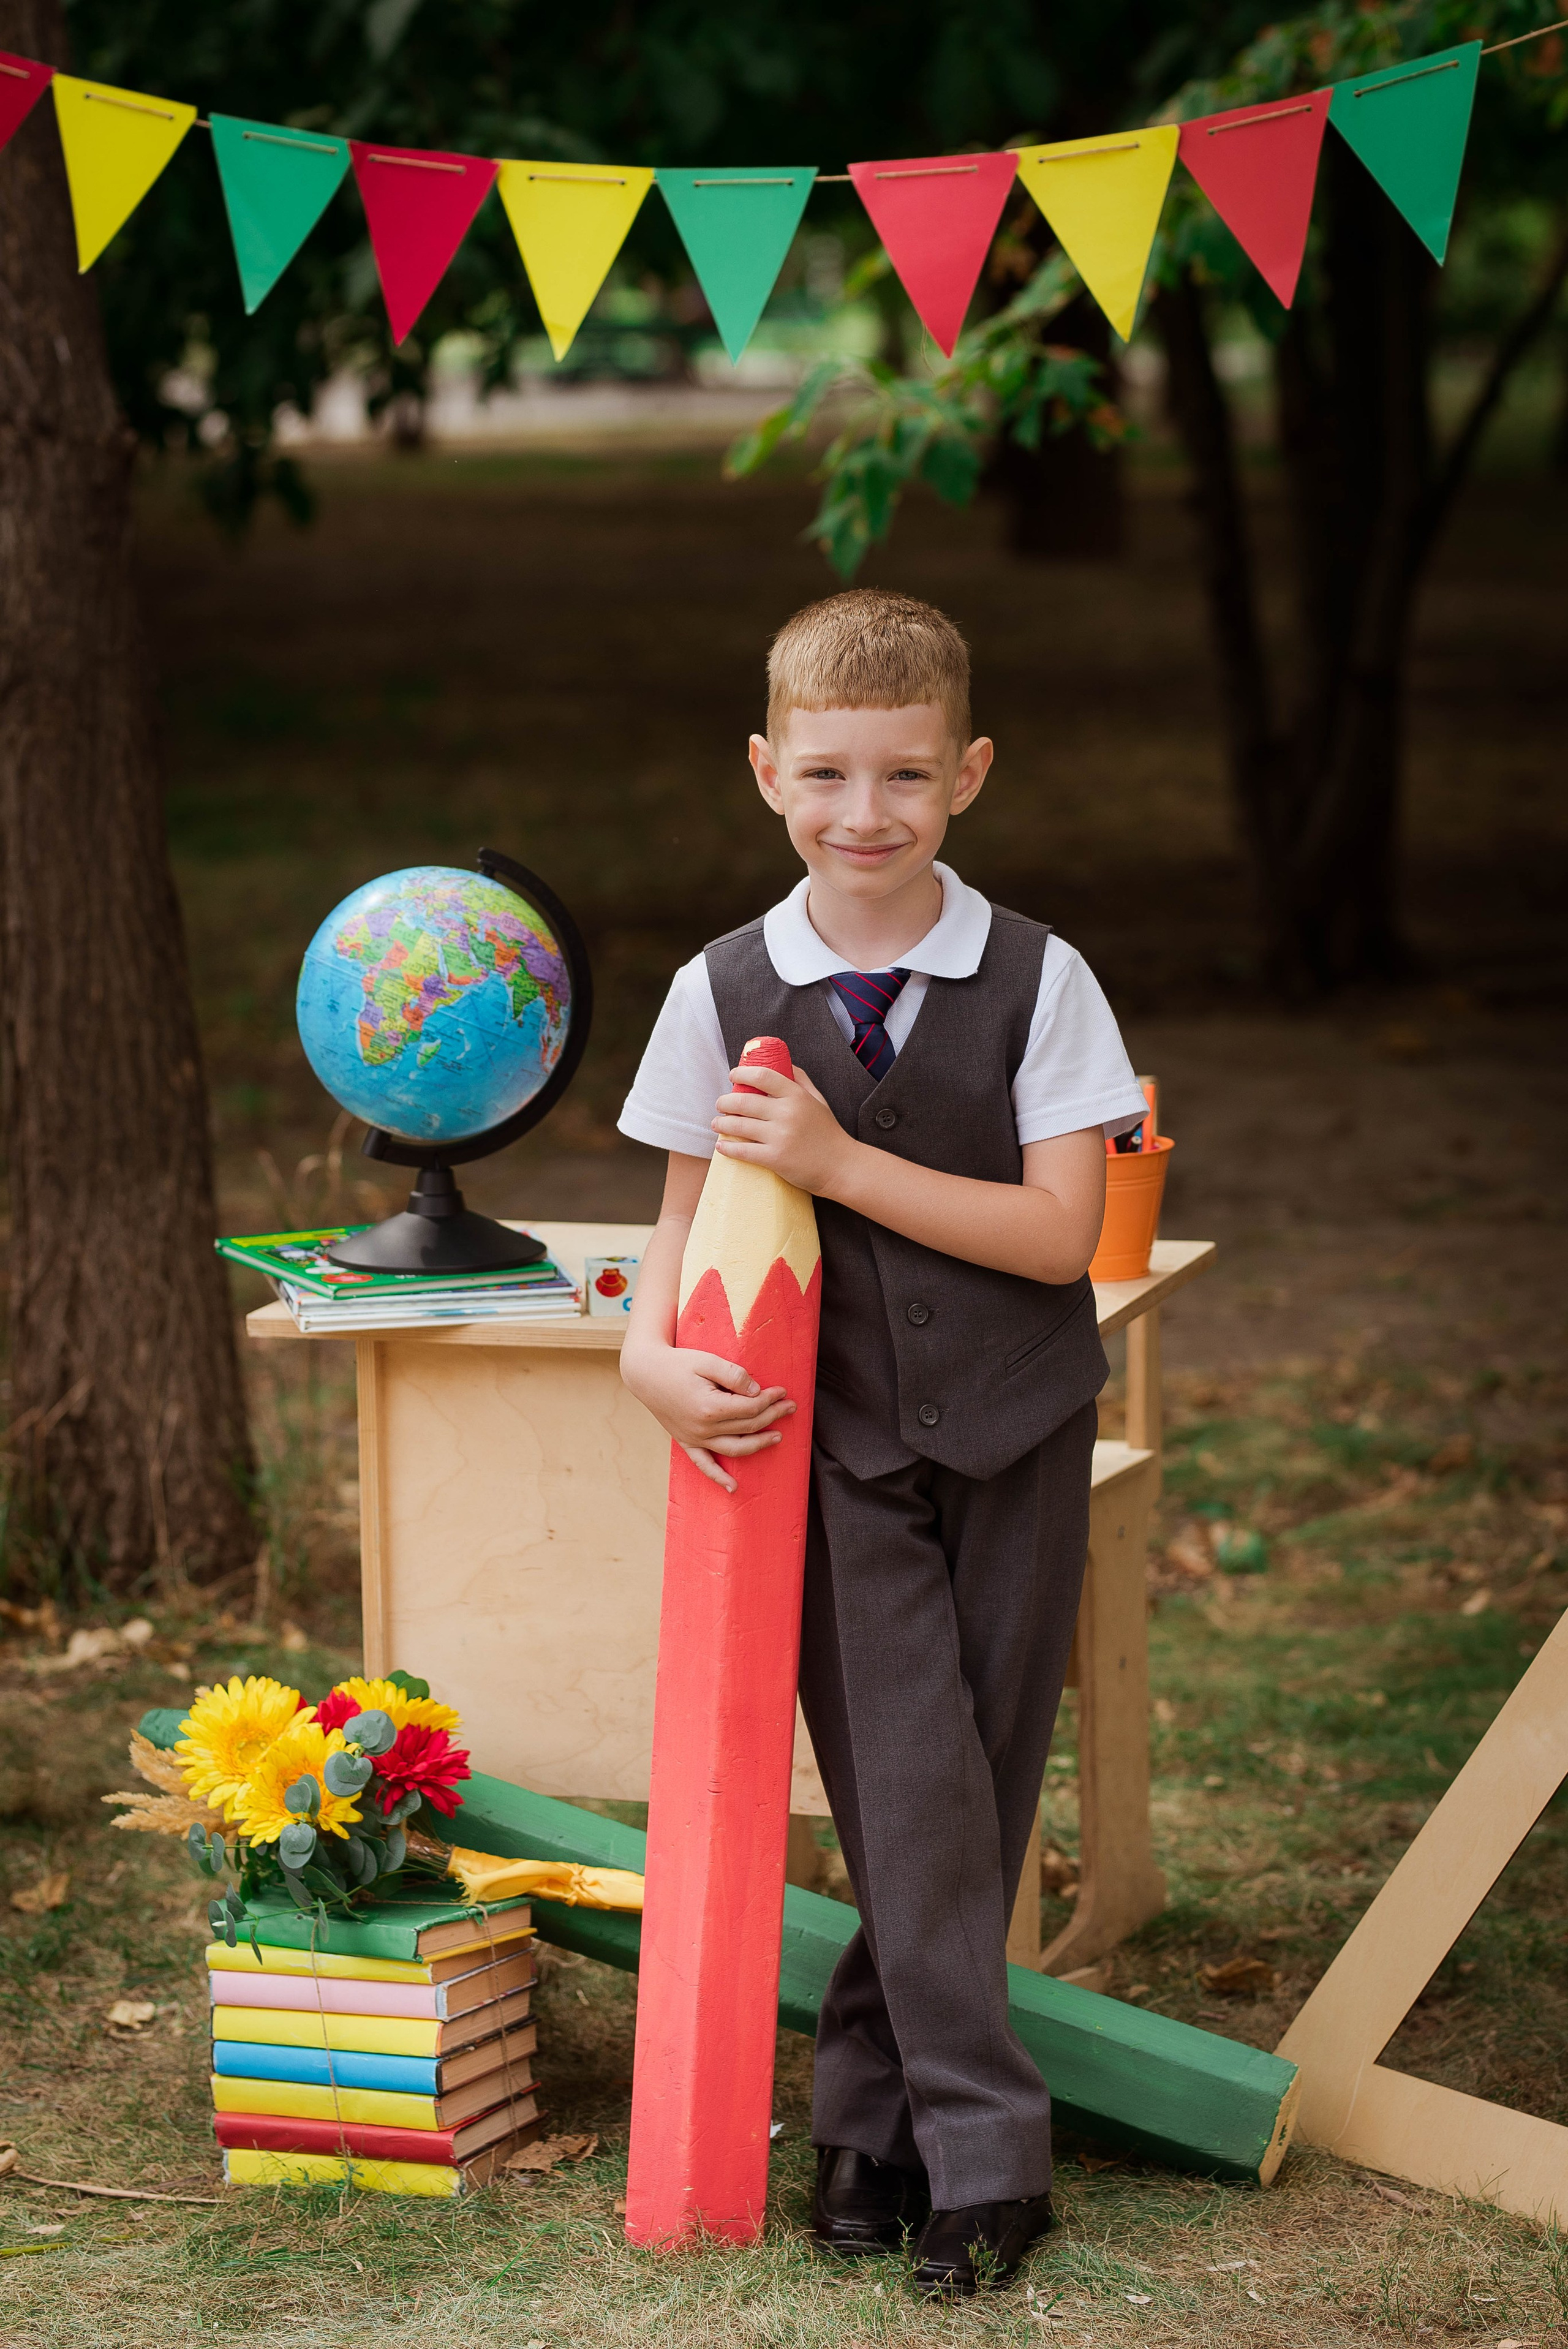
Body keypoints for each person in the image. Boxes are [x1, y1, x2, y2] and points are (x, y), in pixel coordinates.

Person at [617, 587, 1148, 2297]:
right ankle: (989, 2150)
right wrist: (647, 1364)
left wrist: (842, 1163)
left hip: (1018, 1428)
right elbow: (684, 1229)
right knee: (908, 1788)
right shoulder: (720, 989)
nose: (866, 814)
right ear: (768, 771)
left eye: (906, 776)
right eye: (829, 774)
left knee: (972, 1794)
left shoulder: (1039, 978)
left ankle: (863, 2114)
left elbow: (1062, 1236)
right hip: (820, 1444)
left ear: (968, 773)